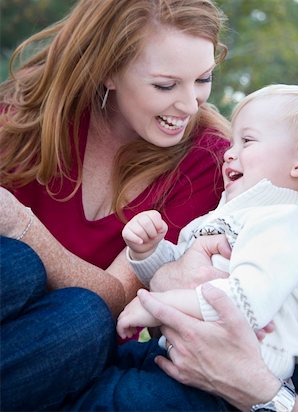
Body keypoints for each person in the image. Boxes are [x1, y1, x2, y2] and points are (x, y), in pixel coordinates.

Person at [70, 28, 298, 411]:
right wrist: (171, 272)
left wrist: (258, 392)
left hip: (230, 396)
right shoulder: (295, 188)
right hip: (174, 362)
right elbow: (188, 271)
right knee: (70, 322)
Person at [0, 0, 232, 410]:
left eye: (203, 79)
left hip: (57, 351)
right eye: (166, 85)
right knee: (15, 267)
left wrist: (21, 225)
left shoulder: (206, 161)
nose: (190, 105)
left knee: (85, 318)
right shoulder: (29, 118)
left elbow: (120, 300)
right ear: (107, 71)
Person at [117, 84, 298, 381]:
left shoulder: (290, 222)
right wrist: (148, 251)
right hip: (180, 354)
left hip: (232, 373)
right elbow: (174, 276)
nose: (229, 154)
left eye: (247, 141)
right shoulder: (223, 214)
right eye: (232, 143)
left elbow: (247, 301)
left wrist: (158, 307)